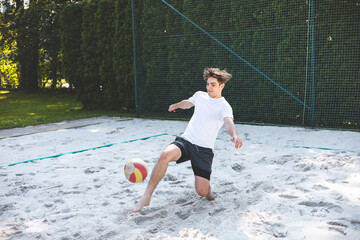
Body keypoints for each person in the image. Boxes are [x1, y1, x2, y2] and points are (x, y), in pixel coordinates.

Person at [132, 67, 243, 212]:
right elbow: (188, 103)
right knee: (165, 155)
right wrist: (177, 105)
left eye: (213, 85)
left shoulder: (224, 106)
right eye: (208, 84)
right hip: (186, 141)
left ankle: (209, 190)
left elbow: (228, 122)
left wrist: (234, 135)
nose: (209, 87)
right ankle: (146, 197)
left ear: (222, 86)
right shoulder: (200, 96)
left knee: (202, 192)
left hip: (204, 150)